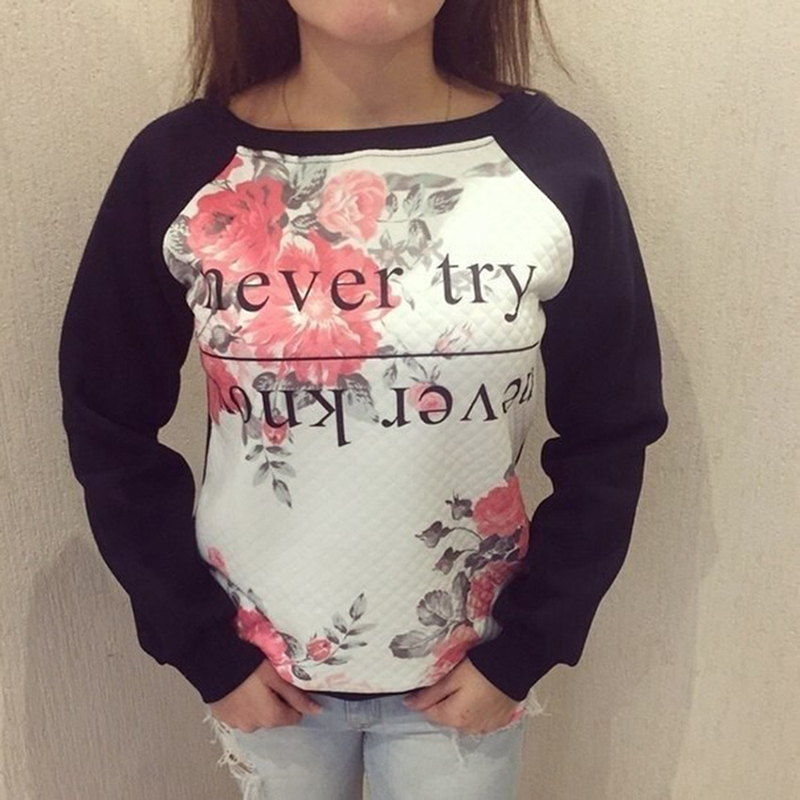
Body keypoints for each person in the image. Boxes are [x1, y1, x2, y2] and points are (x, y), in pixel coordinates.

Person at [57, 1, 669, 797]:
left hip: (469, 675)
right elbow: (107, 421)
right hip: (264, 678)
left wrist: (527, 648)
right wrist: (202, 647)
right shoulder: (180, 166)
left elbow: (612, 429)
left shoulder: (551, 162)